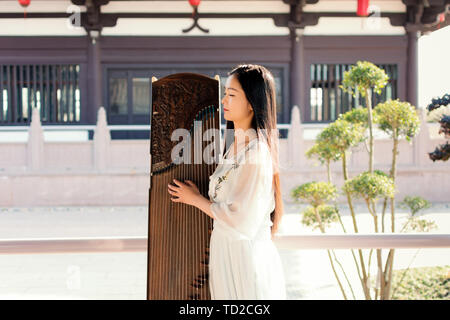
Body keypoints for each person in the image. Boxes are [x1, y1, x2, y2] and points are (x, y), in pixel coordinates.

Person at [167, 64, 286, 300]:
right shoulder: (234, 146)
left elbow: (241, 220)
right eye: (225, 94)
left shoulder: (256, 153)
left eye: (231, 95)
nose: (224, 101)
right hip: (227, 253)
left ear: (252, 102)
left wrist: (196, 200)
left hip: (245, 258)